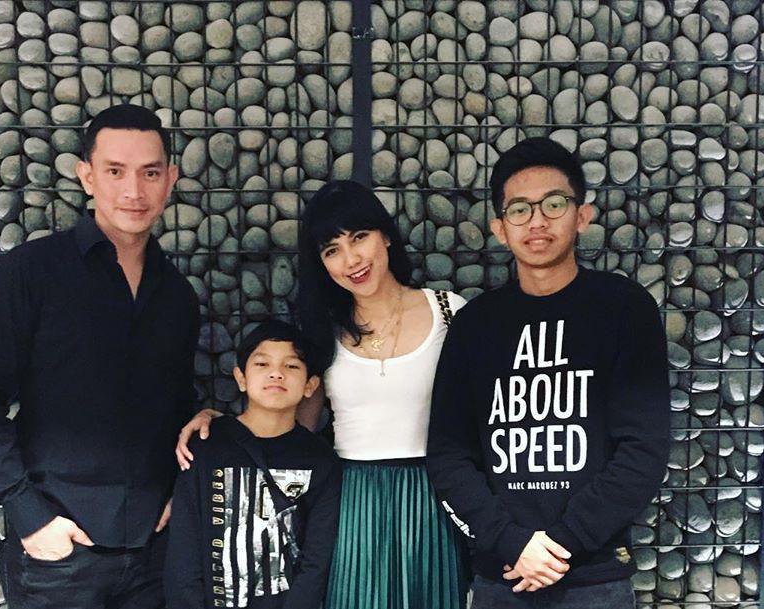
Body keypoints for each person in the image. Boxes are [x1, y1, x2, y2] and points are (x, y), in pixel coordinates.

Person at [177, 180, 470, 609]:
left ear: (386, 235)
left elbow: (484, 415)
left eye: (359, 238)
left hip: (436, 494)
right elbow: (291, 427)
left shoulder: (449, 312)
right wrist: (219, 425)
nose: (351, 260)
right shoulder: (323, 332)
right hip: (350, 500)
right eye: (332, 250)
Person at [0, 104, 199, 609]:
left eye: (150, 172)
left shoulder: (177, 294)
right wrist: (29, 515)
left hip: (155, 552)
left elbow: (174, 404)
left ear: (170, 179)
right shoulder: (29, 275)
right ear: (86, 177)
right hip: (58, 557)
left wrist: (182, 491)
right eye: (115, 171)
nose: (134, 191)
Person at [425, 137, 670, 608]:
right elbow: (449, 454)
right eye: (519, 209)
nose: (537, 221)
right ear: (500, 229)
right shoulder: (476, 325)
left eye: (554, 204)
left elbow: (643, 450)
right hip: (503, 573)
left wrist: (562, 543)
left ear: (582, 215)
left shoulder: (624, 309)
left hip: (594, 576)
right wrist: (512, 542)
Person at [164, 319, 342, 609]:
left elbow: (316, 560)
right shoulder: (206, 446)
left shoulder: (321, 460)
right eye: (262, 364)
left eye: (291, 366)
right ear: (241, 378)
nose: (276, 373)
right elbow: (184, 548)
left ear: (310, 385)